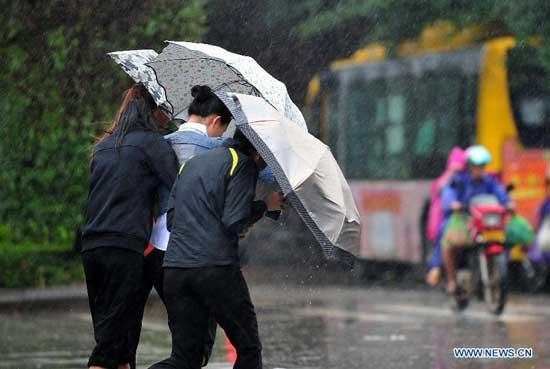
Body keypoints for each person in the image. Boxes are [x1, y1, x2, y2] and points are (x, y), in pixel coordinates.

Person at [149, 130, 284, 369]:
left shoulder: (192, 164)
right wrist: (265, 205)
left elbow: (172, 220)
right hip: (215, 269)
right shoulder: (242, 164)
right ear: (258, 149)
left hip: (175, 270)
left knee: (184, 359)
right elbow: (234, 219)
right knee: (248, 348)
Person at [128, 85, 233, 368]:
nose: (223, 134)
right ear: (214, 120)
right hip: (194, 252)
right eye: (223, 127)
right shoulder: (219, 148)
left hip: (157, 251)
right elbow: (264, 171)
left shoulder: (160, 143)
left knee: (183, 343)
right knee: (194, 349)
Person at [81, 83, 179, 369]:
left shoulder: (103, 147)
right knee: (109, 349)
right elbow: (179, 188)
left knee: (118, 342)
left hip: (92, 247)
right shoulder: (153, 145)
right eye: (165, 108)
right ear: (153, 110)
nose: (168, 115)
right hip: (124, 249)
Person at [441, 145, 513, 295]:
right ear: (468, 166)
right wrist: (454, 204)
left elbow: (501, 194)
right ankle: (452, 280)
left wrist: (509, 204)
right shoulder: (459, 180)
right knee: (448, 244)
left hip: (486, 223)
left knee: (506, 239)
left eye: (482, 166)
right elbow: (449, 193)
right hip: (463, 221)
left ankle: (495, 275)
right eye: (476, 166)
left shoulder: (490, 182)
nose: (479, 169)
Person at [425, 148, 467, 287]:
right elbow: (446, 196)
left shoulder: (470, 179)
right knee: (444, 239)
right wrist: (453, 205)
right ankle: (438, 270)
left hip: (463, 219)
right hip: (445, 219)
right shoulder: (447, 181)